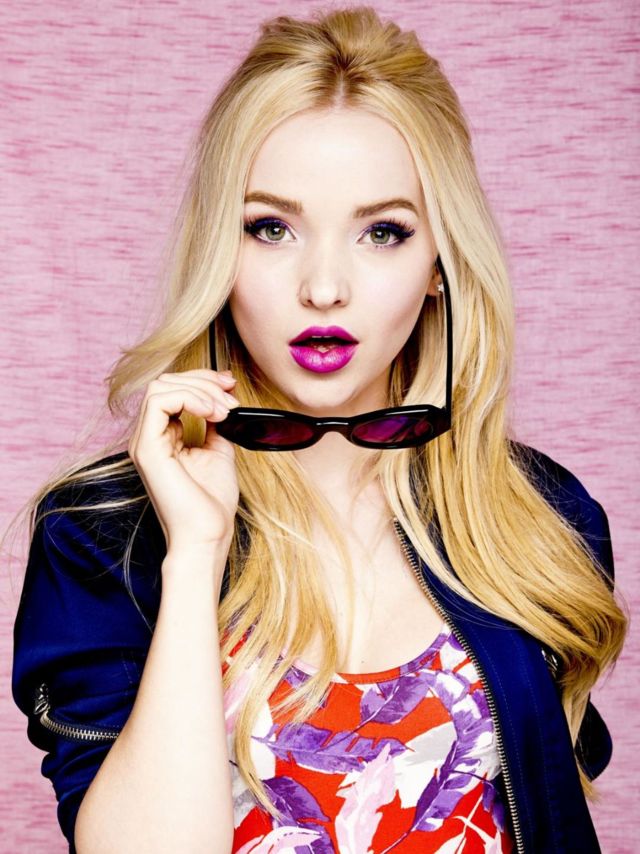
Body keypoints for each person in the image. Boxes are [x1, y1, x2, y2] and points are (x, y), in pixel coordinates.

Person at [10, 6, 627, 853]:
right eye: (271, 227)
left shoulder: (540, 518)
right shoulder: (102, 534)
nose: (325, 286)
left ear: (440, 265)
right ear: (219, 250)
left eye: (383, 232)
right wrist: (194, 553)